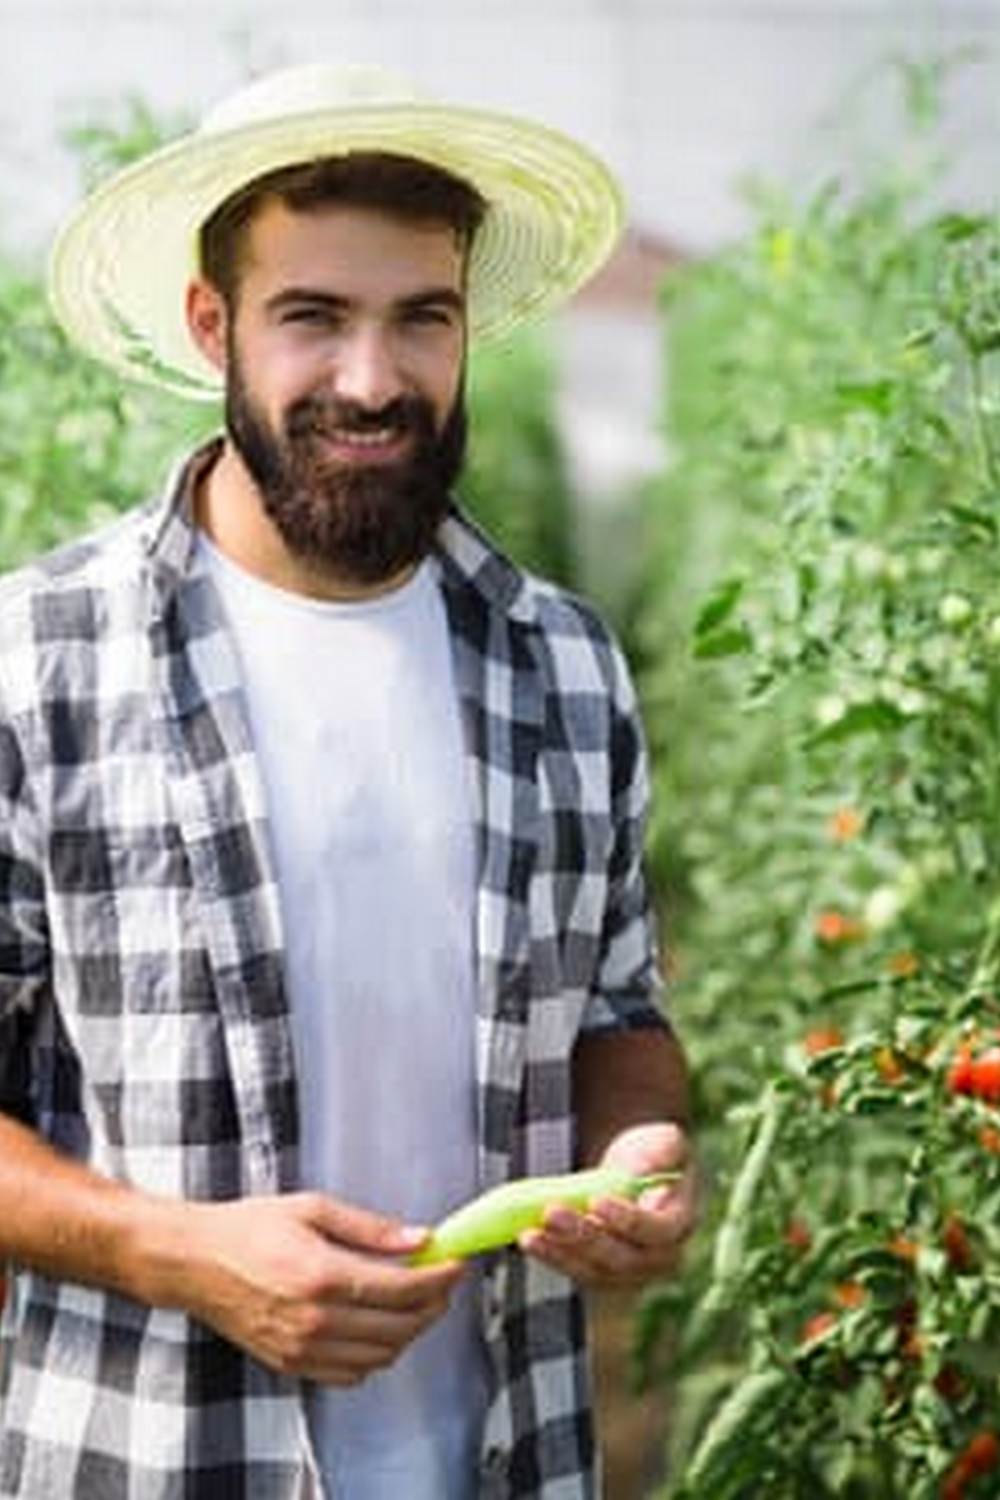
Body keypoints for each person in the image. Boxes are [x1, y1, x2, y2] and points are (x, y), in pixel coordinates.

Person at [0, 63, 695, 1500]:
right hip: (155, 1455)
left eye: (420, 319)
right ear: (214, 325)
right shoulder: (39, 661)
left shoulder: (565, 663)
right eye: (313, 317)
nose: (373, 381)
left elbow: (620, 1013)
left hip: (509, 1451)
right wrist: (178, 1254)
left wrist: (634, 1141)